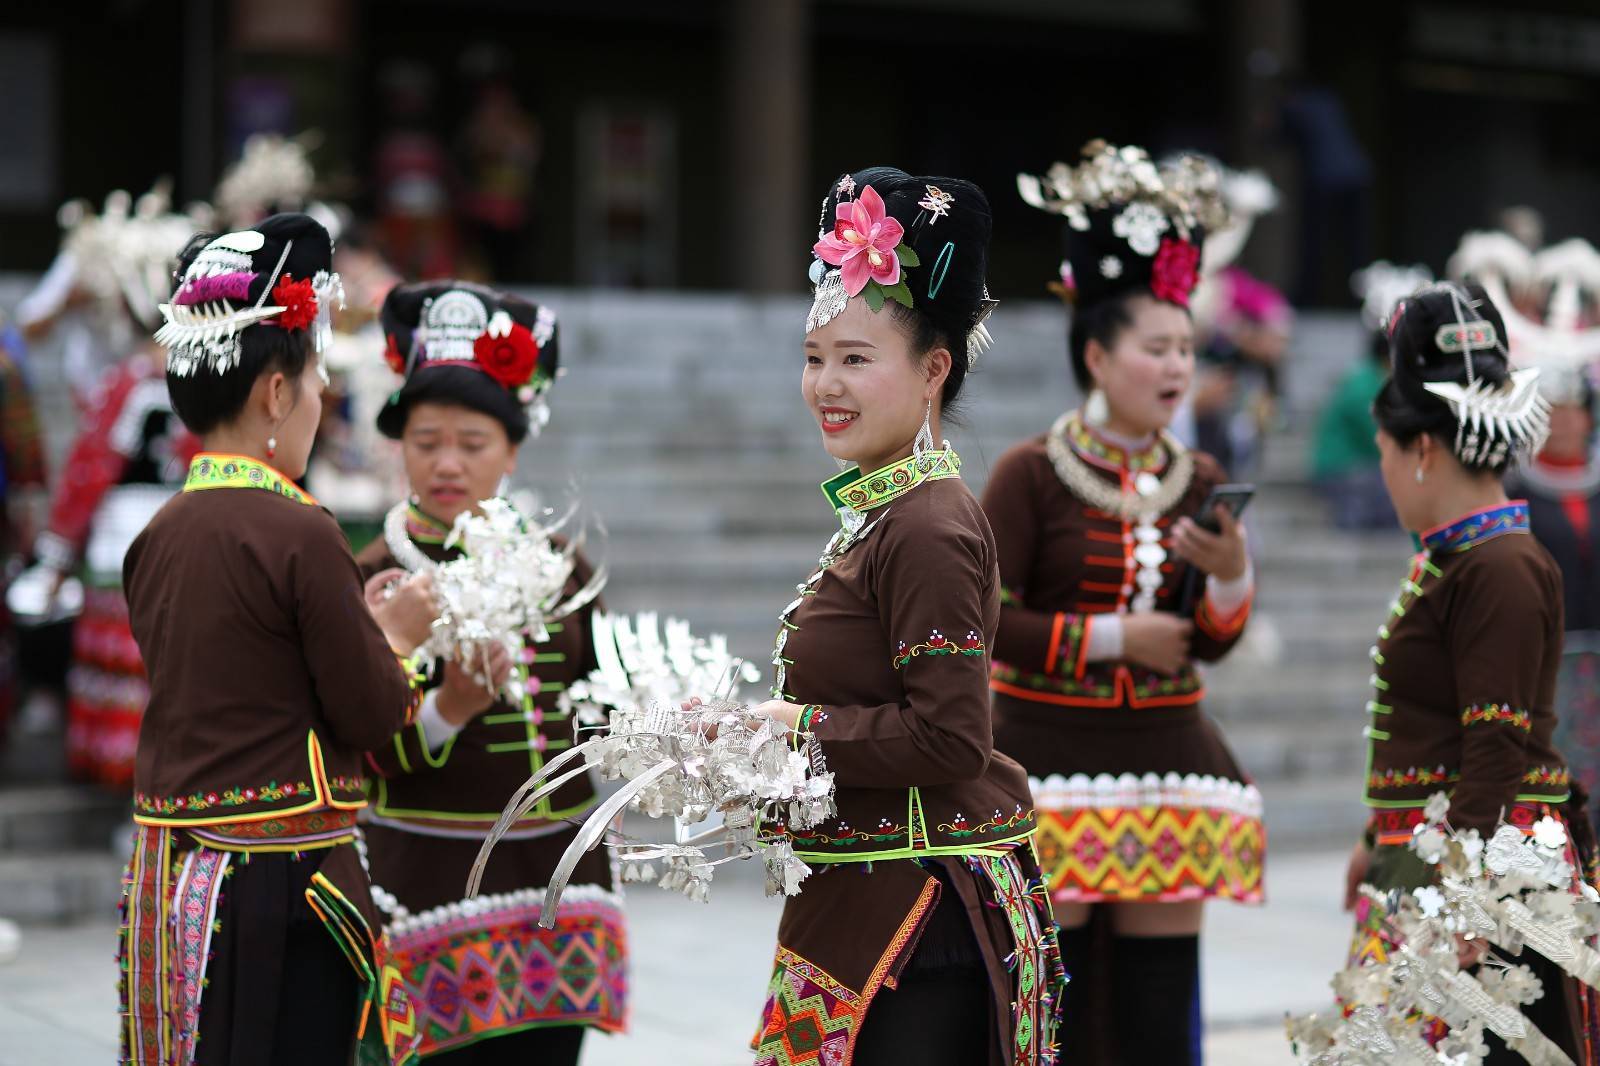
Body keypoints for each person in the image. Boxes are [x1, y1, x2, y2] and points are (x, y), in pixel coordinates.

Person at [746, 169, 1063, 1066]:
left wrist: (794, 727)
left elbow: (952, 739)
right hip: (875, 902)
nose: (825, 385)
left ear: (933, 369)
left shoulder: (926, 524)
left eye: (855, 358)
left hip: (919, 918)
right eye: (814, 357)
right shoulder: (889, 513)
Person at [119, 213, 434, 1066]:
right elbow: (372, 714)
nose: (325, 395)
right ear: (275, 393)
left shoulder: (157, 534)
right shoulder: (299, 531)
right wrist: (396, 637)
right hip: (281, 888)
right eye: (319, 373)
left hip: (176, 878)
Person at [1003, 141, 1263, 1064]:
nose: (1177, 366)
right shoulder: (1029, 473)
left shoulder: (1203, 476)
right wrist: (1112, 638)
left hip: (1167, 754)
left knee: (1160, 1007)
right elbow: (985, 621)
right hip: (1050, 760)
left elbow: (1212, 641)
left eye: (1188, 348)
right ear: (1096, 354)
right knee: (1057, 1001)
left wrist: (1229, 573)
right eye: (1156, 347)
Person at [356, 280, 625, 1062]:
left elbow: (594, 709)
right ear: (398, 447)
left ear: (511, 450)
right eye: (426, 441)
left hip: (554, 890)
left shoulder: (563, 567)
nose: (447, 464)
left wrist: (645, 721)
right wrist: (449, 708)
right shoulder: (373, 575)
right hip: (424, 883)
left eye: (472, 444)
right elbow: (356, 744)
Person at [1346, 281, 1594, 1061]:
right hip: (1446, 856)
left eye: (1383, 451)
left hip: (1486, 874)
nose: (1385, 471)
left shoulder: (1499, 569)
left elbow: (1494, 748)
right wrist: (1374, 835)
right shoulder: (1465, 559)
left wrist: (1463, 906)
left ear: (1420, 448)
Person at [12, 186, 205, 785]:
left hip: (123, 542)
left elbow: (89, 474)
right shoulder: (206, 375)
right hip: (189, 536)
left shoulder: (129, 381)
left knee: (137, 677)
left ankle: (139, 787)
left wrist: (55, 552)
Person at [1509, 366, 1600, 833]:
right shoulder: (1515, 491)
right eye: (1552, 412)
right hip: (1546, 661)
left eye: (1572, 411)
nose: (1563, 422)